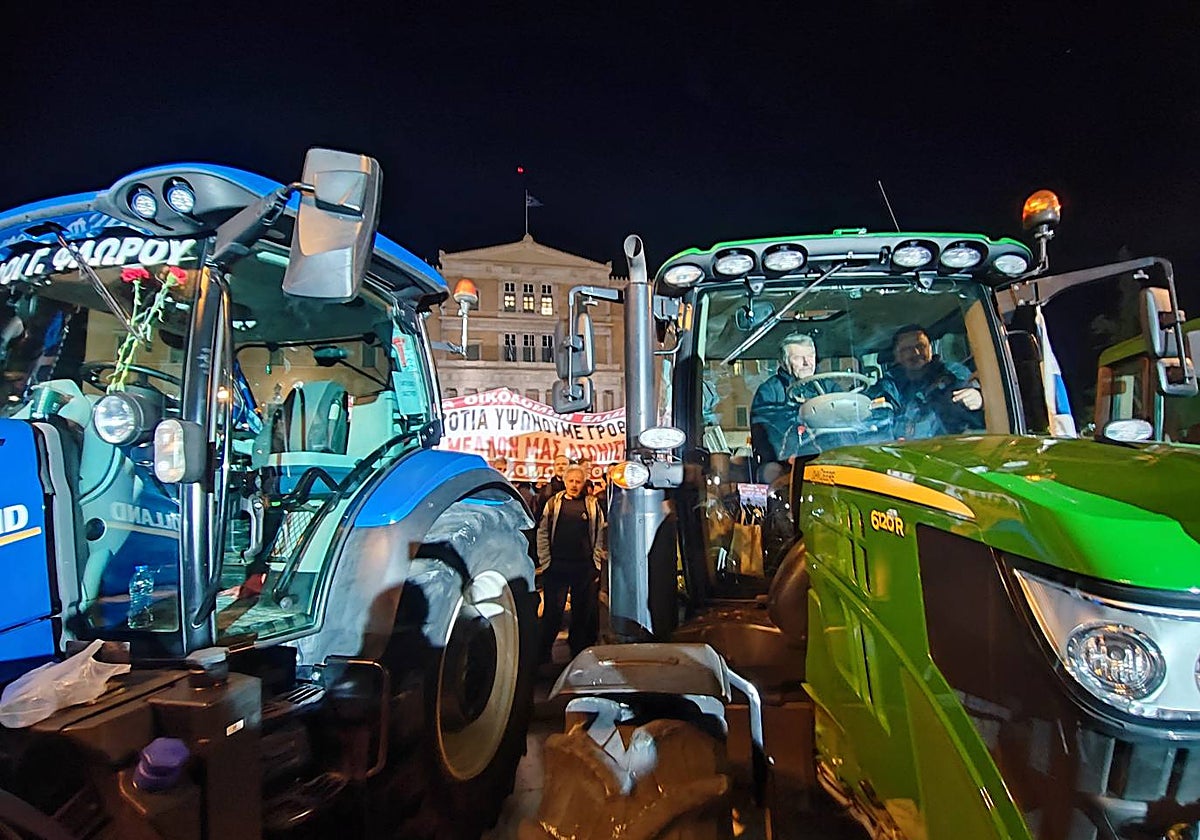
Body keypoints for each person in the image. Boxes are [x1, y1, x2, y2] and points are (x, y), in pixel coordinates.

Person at [536, 464, 606, 667]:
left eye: (578, 481)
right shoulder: (553, 504)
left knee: (582, 615)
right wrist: (546, 561)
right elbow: (543, 532)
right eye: (571, 481)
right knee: (552, 614)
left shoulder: (592, 505)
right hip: (557, 568)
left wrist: (596, 564)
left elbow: (599, 535)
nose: (574, 485)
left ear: (583, 483)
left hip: (583, 569)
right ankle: (542, 658)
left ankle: (578, 657)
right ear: (565, 481)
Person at [869, 324, 983, 439]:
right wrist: (891, 438)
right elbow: (871, 416)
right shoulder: (889, 386)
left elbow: (974, 396)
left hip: (951, 445)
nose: (916, 353)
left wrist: (978, 397)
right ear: (897, 355)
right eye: (907, 349)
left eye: (921, 346)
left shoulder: (952, 372)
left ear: (930, 349)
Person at [750, 332, 823, 479]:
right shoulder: (769, 391)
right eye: (798, 358)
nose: (807, 363)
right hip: (785, 461)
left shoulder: (828, 387)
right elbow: (765, 434)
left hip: (827, 454)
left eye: (810, 356)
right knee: (770, 473)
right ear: (783, 362)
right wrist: (788, 455)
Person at [533, 453, 569, 522]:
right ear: (554, 468)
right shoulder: (546, 490)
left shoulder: (576, 488)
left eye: (564, 464)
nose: (560, 466)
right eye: (558, 464)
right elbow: (539, 515)